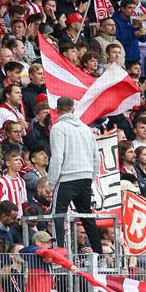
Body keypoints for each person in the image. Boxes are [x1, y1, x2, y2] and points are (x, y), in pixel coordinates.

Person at [47, 96, 99, 246]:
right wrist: (91, 177)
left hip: (66, 178)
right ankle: (99, 253)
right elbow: (97, 158)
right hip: (86, 177)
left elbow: (57, 157)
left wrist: (51, 183)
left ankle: (59, 254)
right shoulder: (86, 129)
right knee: (87, 216)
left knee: (57, 215)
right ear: (73, 109)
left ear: (57, 110)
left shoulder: (58, 128)